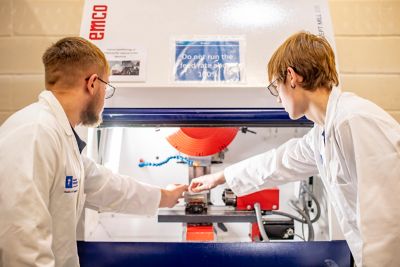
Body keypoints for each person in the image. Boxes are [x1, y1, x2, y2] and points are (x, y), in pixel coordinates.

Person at [189, 32, 400, 266]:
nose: (277, 99)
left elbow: (386, 224)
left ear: (291, 77)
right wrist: (220, 177)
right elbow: (279, 162)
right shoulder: (323, 133)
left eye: (275, 87)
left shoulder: (354, 121)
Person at [0, 37, 188, 266]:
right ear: (92, 83)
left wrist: (164, 196)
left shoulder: (61, 137)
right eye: (106, 87)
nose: (104, 99)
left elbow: (106, 185)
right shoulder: (35, 133)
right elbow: (22, 243)